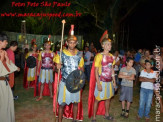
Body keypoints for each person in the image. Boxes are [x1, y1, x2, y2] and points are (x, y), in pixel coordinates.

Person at [54, 25, 84, 122]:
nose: (72, 44)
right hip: (65, 82)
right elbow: (55, 69)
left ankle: (74, 120)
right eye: (70, 42)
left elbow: (82, 70)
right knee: (62, 103)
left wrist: (80, 79)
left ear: (76, 43)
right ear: (66, 43)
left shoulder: (79, 55)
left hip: (75, 82)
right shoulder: (61, 54)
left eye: (74, 43)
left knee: (75, 102)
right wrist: (56, 67)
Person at [88, 32, 117, 121]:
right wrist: (98, 83)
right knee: (97, 99)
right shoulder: (99, 56)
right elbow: (96, 71)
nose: (109, 46)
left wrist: (114, 82)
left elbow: (112, 69)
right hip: (101, 81)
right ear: (103, 46)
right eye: (107, 44)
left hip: (109, 81)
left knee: (108, 98)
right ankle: (94, 117)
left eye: (110, 44)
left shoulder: (112, 56)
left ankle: (106, 114)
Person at [0, 32, 19, 122]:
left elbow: (8, 67)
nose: (7, 43)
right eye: (6, 41)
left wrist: (7, 59)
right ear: (0, 42)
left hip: (5, 82)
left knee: (7, 104)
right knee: (2, 105)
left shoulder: (4, 52)